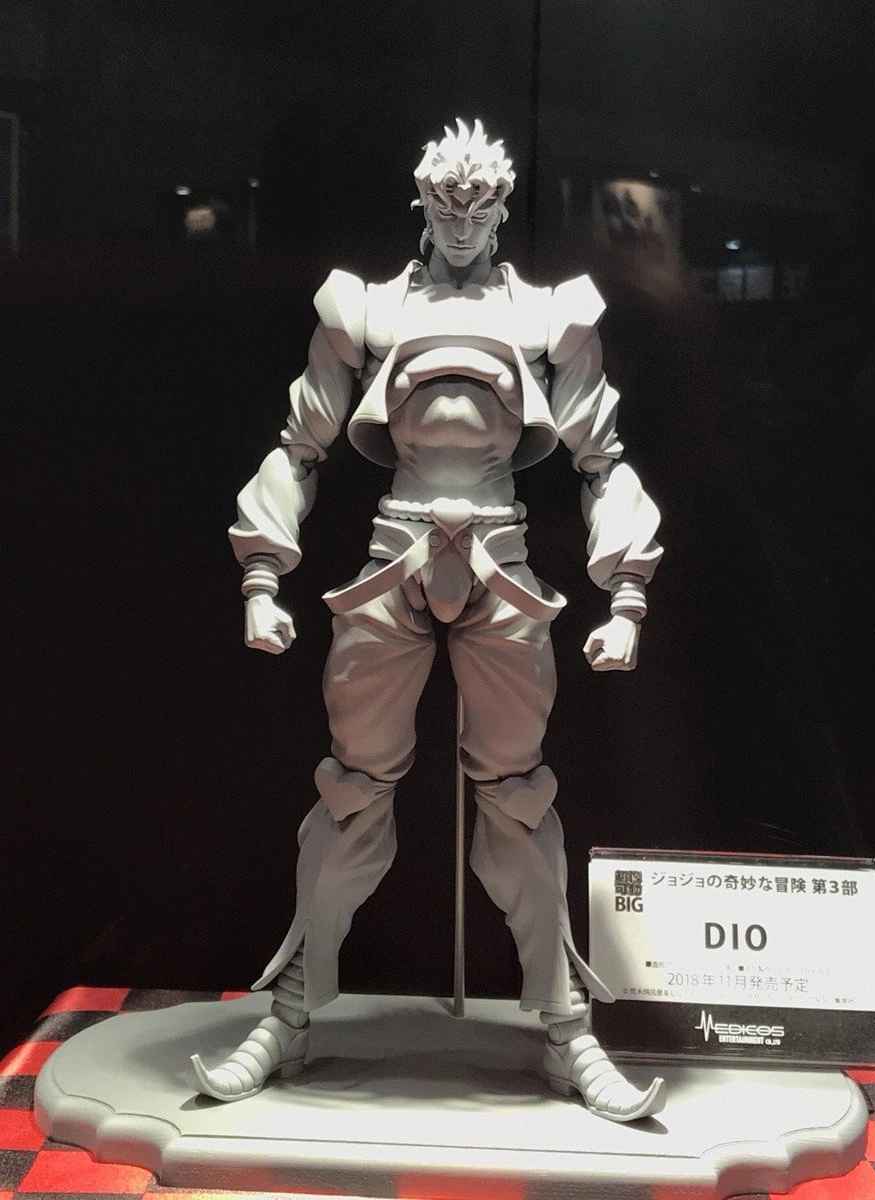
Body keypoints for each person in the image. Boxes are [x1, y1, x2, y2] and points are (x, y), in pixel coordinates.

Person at [191, 119, 665, 1122]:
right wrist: (261, 575)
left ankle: (565, 1027)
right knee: (353, 787)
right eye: (444, 206)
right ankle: (290, 1013)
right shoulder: (366, 308)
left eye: (476, 208)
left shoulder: (549, 314)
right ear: (422, 205)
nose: (459, 224)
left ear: (500, 209)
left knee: (518, 796)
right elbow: (301, 447)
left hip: (502, 563)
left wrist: (626, 595)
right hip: (393, 559)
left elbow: (602, 463)